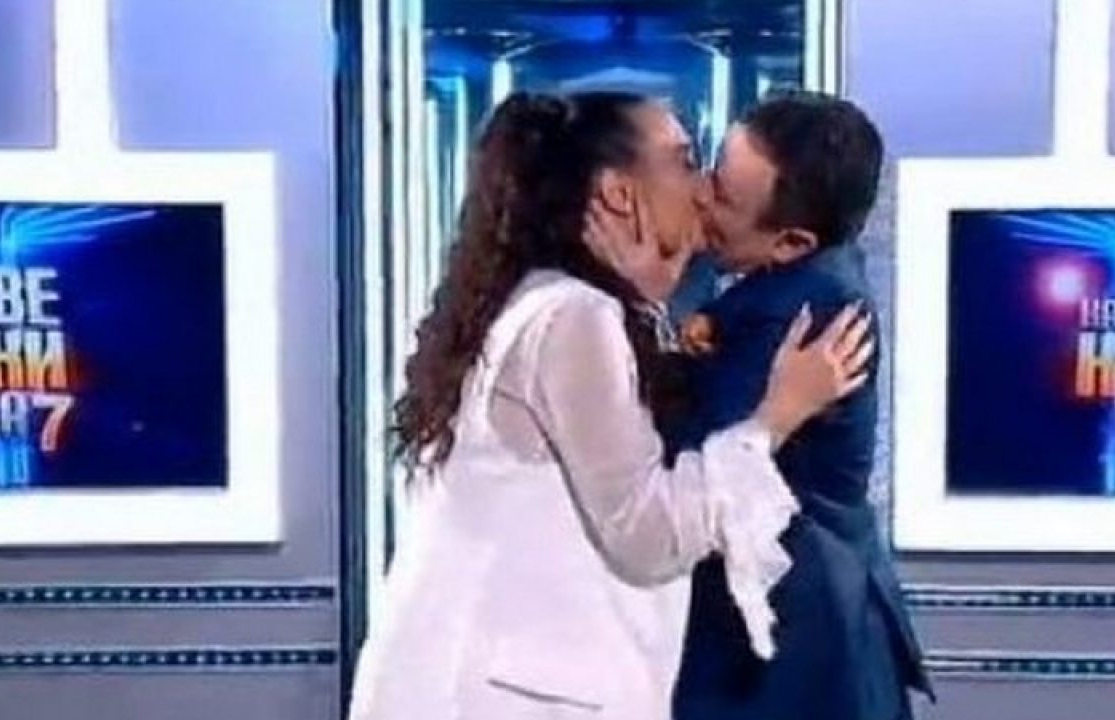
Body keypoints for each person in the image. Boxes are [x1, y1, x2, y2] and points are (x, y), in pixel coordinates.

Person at [347, 91, 874, 720]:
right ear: (619, 194)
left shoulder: (555, 302)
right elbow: (648, 534)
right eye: (685, 161)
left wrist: (646, 301)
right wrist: (775, 417)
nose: (702, 190)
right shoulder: (576, 315)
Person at [672, 91, 933, 720]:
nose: (699, 195)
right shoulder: (800, 273)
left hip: (796, 645)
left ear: (791, 242)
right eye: (711, 170)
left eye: (723, 196)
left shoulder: (804, 314)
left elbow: (691, 466)